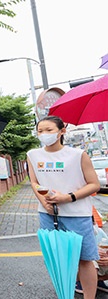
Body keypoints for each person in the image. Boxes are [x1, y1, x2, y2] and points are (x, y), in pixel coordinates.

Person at [27, 115, 100, 299]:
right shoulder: (33, 155)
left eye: (49, 130)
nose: (44, 134)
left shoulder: (78, 155)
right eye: (40, 131)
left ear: (62, 131)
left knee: (85, 259)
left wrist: (68, 197)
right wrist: (44, 201)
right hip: (48, 215)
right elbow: (34, 182)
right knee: (58, 260)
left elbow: (94, 184)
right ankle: (64, 294)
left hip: (77, 215)